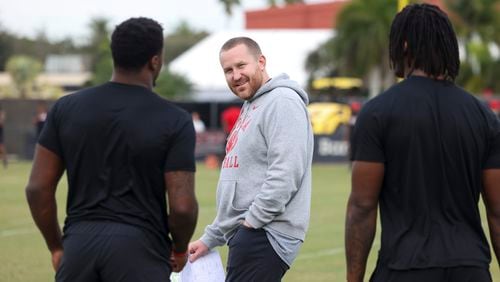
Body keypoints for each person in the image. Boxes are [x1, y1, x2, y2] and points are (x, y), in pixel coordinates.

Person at [25, 17, 198, 282]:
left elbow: (37, 188)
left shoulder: (65, 109)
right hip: (141, 251)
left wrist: (57, 246)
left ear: (115, 55)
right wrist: (179, 248)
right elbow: (183, 207)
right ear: (155, 61)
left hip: (79, 249)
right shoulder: (174, 120)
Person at [346, 4, 500, 282]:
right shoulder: (483, 115)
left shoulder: (377, 112)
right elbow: (498, 210)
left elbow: (362, 206)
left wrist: (353, 278)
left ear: (403, 46)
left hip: (404, 267)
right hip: (471, 269)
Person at [188, 37, 314, 281]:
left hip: (264, 234)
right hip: (250, 233)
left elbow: (285, 174)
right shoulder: (252, 104)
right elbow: (240, 182)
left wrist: (251, 224)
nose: (235, 75)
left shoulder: (282, 102)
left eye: (241, 66)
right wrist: (210, 238)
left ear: (261, 62)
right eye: (228, 70)